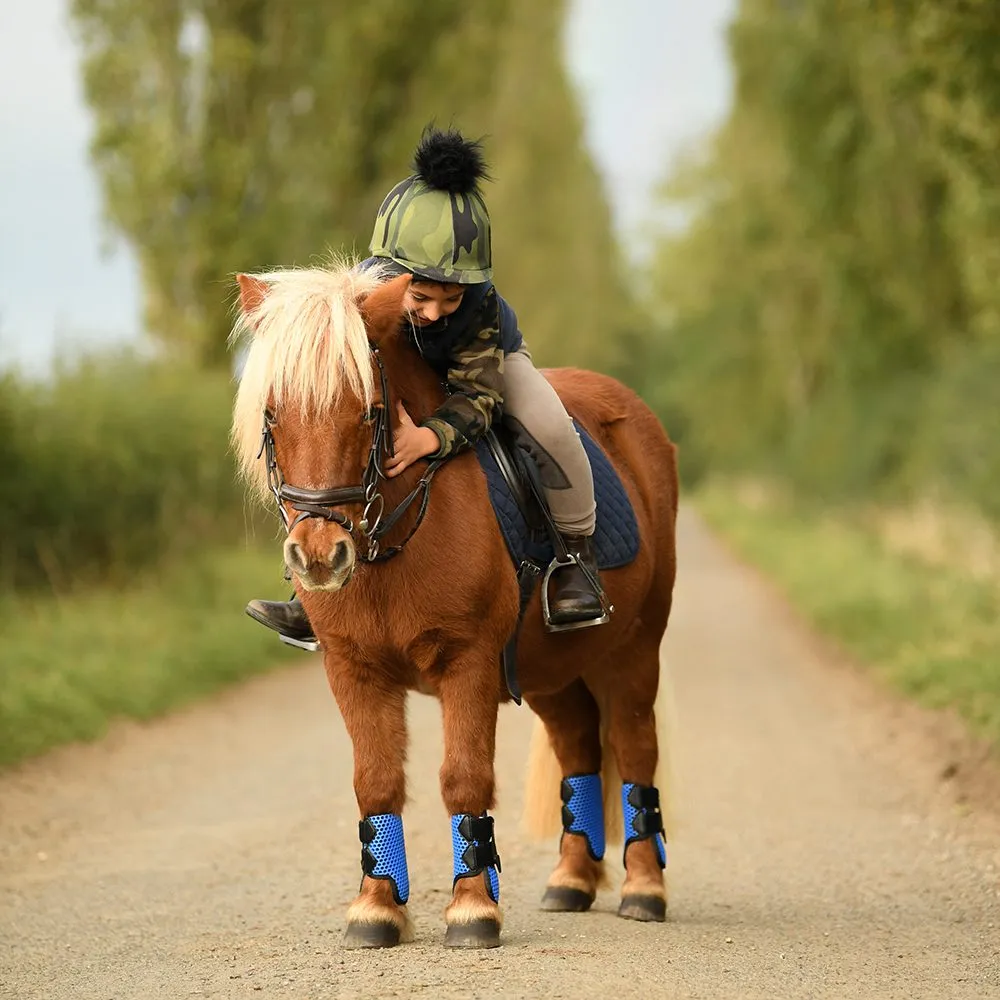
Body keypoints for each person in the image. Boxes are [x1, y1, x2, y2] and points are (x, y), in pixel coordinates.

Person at [246, 127, 604, 640]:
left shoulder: (478, 310)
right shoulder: (367, 293)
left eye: (450, 298)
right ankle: (310, 586)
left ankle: (576, 556)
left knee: (549, 424)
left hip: (483, 366)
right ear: (392, 275)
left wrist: (428, 437)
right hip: (401, 361)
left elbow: (479, 397)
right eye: (421, 298)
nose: (435, 313)